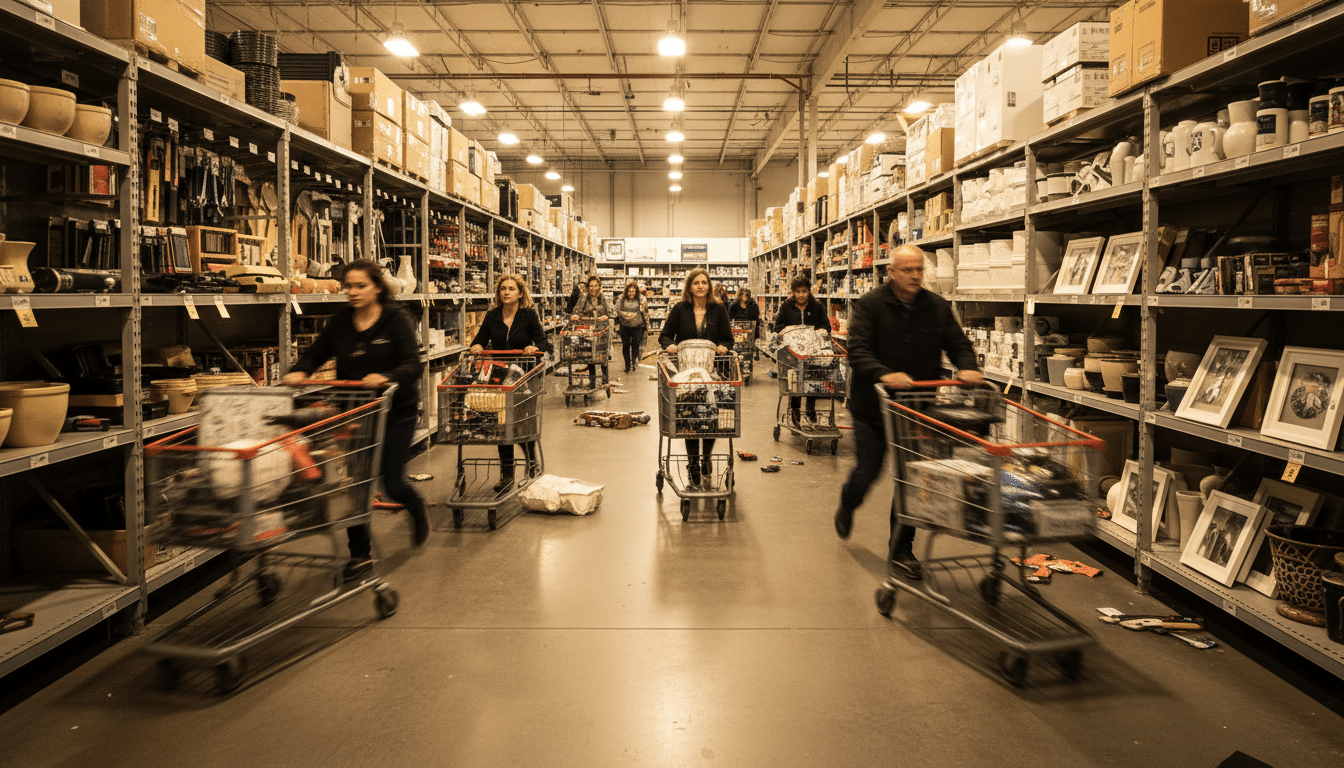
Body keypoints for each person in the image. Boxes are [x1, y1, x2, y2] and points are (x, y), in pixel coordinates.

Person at [835, 244, 982, 580]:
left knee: (910, 481)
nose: (916, 276)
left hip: (918, 409)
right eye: (908, 270)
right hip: (873, 408)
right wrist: (883, 373)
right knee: (868, 472)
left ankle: (901, 549)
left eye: (919, 270)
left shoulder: (937, 307)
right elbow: (856, 350)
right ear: (892, 272)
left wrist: (967, 366)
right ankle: (848, 503)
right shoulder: (870, 306)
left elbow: (958, 343)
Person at [282, 259, 429, 583]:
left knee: (391, 482)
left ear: (377, 287)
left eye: (360, 285)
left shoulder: (396, 320)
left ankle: (416, 508)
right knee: (356, 486)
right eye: (348, 286)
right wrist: (300, 370)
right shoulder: (341, 322)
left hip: (396, 412)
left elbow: (412, 365)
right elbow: (316, 352)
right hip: (355, 414)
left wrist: (386, 377)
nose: (352, 292)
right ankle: (359, 555)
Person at [470, 273, 551, 492]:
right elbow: (479, 339)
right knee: (501, 423)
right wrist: (477, 346)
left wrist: (534, 348)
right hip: (500, 376)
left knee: (524, 421)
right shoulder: (492, 316)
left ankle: (532, 463)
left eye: (511, 289)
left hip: (524, 376)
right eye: (503, 289)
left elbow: (544, 342)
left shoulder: (529, 316)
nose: (506, 292)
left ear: (520, 293)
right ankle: (507, 475)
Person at [659, 268, 733, 489]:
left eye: (704, 282)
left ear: (709, 286)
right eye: (696, 283)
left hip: (712, 373)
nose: (701, 286)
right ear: (689, 287)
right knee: (691, 416)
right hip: (687, 375)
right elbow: (665, 334)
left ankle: (706, 456)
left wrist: (724, 347)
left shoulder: (719, 310)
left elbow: (728, 339)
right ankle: (692, 464)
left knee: (710, 415)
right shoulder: (680, 309)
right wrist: (669, 345)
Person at [772, 275, 831, 427]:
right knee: (794, 382)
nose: (801, 295)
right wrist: (786, 329)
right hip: (793, 352)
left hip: (813, 351)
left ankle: (810, 411)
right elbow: (777, 326)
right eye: (797, 292)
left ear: (809, 291)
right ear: (793, 292)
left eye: (804, 291)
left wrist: (821, 331)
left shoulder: (817, 306)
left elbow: (826, 325)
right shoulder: (786, 306)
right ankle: (795, 412)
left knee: (812, 380)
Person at [571, 274, 614, 389]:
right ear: (588, 287)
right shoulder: (584, 298)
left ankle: (605, 381)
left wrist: (606, 316)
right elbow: (576, 310)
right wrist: (575, 315)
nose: (593, 288)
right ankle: (592, 382)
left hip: (602, 332)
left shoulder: (603, 298)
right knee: (590, 358)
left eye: (596, 286)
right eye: (591, 286)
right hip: (589, 332)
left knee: (602, 357)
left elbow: (609, 312)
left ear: (599, 287)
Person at [614, 280, 648, 373]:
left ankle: (634, 361)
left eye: (633, 291)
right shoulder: (621, 298)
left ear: (636, 292)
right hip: (625, 325)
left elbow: (645, 312)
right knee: (625, 345)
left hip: (637, 325)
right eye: (629, 291)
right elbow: (616, 309)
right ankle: (627, 365)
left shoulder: (641, 299)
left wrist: (646, 325)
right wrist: (622, 314)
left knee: (635, 344)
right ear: (626, 291)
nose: (631, 293)